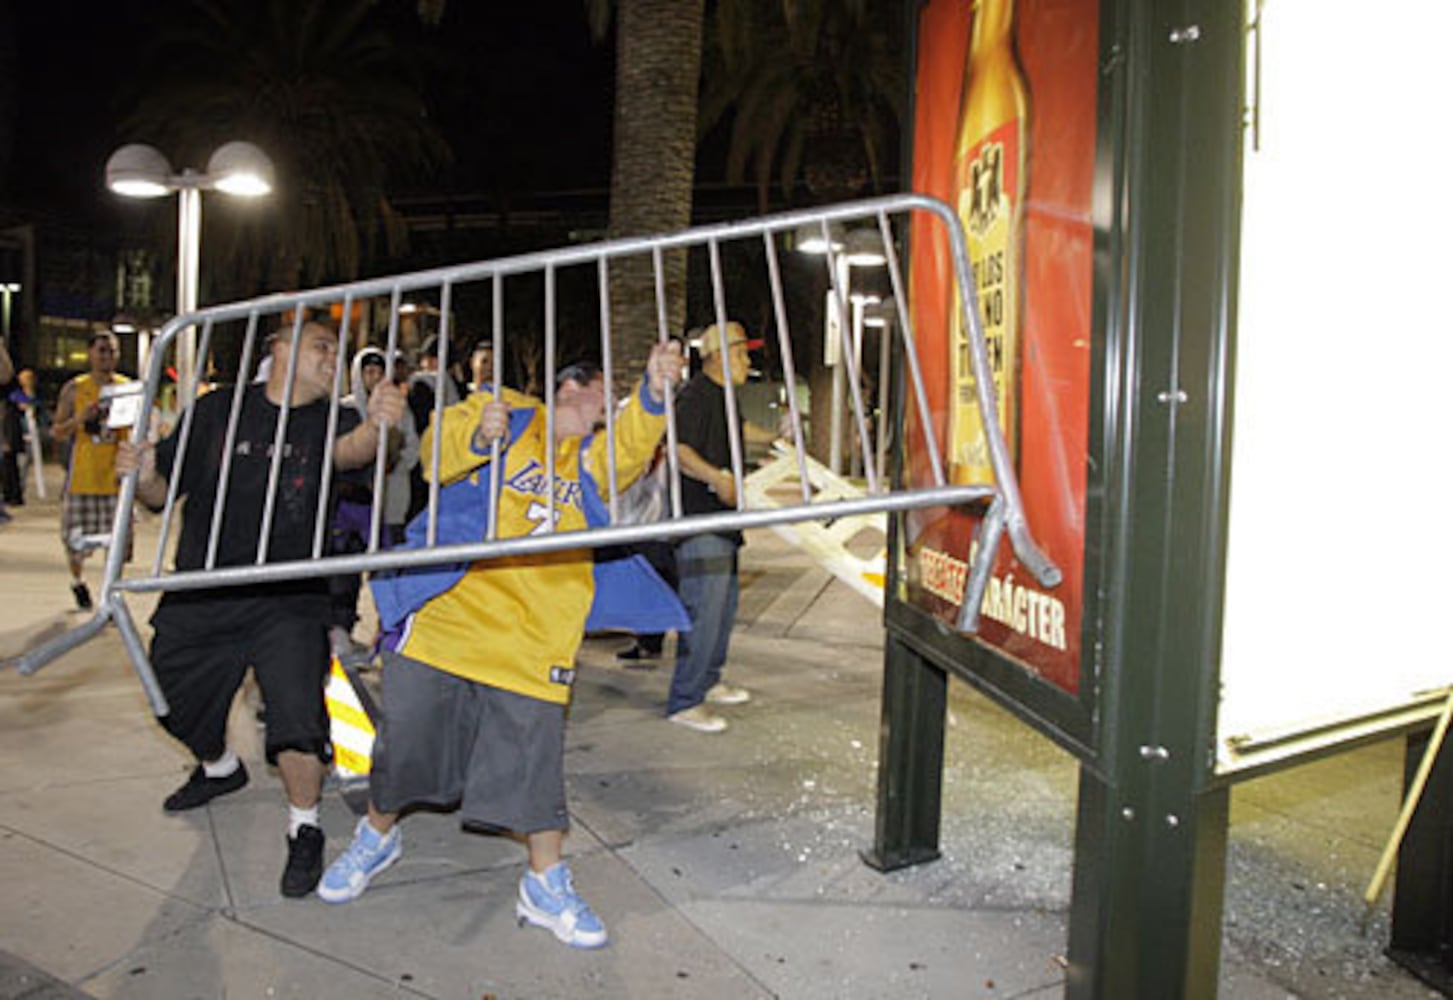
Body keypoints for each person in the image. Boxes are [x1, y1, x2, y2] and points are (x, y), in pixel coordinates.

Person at [318, 341, 684, 950]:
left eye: (606, 400)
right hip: (447, 621)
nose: (597, 405)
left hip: (534, 637)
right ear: (566, 388)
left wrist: (652, 394)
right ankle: (377, 837)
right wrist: (482, 440)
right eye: (593, 392)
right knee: (406, 743)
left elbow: (630, 446)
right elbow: (434, 458)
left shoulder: (591, 459)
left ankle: (544, 882)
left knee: (534, 761)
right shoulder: (504, 409)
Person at [116, 321, 405, 899]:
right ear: (281, 349)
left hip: (289, 595)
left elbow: (352, 453)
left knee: (297, 719)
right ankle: (220, 768)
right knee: (169, 698)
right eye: (323, 348)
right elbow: (160, 492)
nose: (333, 360)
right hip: (205, 587)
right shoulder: (217, 410)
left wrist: (379, 423)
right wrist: (143, 471)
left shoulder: (333, 418)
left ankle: (306, 828)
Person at [665, 320, 777, 733]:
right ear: (719, 356)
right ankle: (684, 700)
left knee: (723, 609)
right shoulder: (695, 395)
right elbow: (676, 447)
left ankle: (708, 681)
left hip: (723, 522)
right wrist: (717, 478)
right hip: (700, 521)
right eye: (742, 353)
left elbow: (739, 431)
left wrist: (776, 438)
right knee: (705, 611)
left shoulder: (723, 397)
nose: (748, 362)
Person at [51, 331, 132, 610]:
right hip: (83, 478)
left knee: (119, 546)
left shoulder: (127, 387)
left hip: (116, 479)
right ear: (90, 353)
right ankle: (78, 581)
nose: (107, 357)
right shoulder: (74, 389)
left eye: (112, 351)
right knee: (74, 542)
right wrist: (80, 419)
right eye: (102, 351)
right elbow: (58, 431)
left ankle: (111, 597)